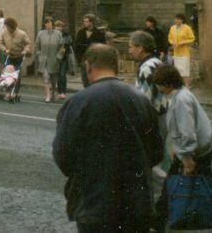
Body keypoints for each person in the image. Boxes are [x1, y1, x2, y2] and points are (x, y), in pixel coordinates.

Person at [53, 44, 163, 232]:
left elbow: (63, 155)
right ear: (117, 66)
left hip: (95, 202)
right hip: (137, 203)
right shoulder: (141, 100)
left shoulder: (78, 102)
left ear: (88, 66)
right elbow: (156, 153)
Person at [152, 65, 212, 233]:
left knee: (208, 190)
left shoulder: (180, 100)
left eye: (159, 84)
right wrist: (178, 149)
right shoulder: (182, 94)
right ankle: (157, 222)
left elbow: (187, 131)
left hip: (195, 154)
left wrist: (186, 157)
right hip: (198, 151)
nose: (158, 88)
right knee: (175, 185)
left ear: (166, 84)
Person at [128, 30, 169, 200]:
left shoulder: (145, 68)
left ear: (140, 48)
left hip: (152, 120)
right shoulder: (156, 62)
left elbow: (143, 101)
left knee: (148, 162)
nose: (129, 50)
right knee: (155, 159)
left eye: (131, 47)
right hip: (162, 116)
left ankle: (163, 197)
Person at [0, 17, 32, 95]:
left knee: (16, 75)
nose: (6, 27)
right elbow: (0, 42)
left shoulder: (22, 34)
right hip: (8, 56)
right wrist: (4, 49)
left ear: (12, 26)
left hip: (18, 56)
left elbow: (28, 43)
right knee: (7, 74)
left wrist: (25, 50)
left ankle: (15, 92)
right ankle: (8, 91)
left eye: (7, 26)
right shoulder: (4, 32)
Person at [72, 14, 107, 88]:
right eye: (84, 21)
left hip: (95, 61)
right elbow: (76, 47)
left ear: (91, 22)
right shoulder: (81, 32)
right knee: (85, 80)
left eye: (86, 21)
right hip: (83, 60)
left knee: (94, 80)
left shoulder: (99, 33)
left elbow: (103, 47)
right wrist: (79, 60)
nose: (84, 23)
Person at [35, 18, 65, 103]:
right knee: (46, 77)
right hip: (44, 60)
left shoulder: (58, 34)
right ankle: (47, 96)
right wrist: (39, 55)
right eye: (46, 23)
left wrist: (58, 57)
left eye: (49, 23)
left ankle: (52, 94)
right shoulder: (40, 34)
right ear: (44, 25)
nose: (48, 25)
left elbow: (62, 47)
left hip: (54, 60)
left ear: (52, 24)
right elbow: (37, 46)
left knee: (54, 79)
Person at [168, 13, 195, 87]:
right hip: (176, 53)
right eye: (176, 19)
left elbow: (192, 38)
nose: (176, 20)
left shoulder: (187, 28)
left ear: (182, 20)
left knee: (185, 72)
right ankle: (180, 86)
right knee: (178, 71)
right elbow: (170, 38)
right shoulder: (172, 28)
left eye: (178, 19)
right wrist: (172, 42)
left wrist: (183, 42)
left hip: (184, 53)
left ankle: (186, 86)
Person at [54, 20, 74, 101]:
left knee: (62, 75)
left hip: (64, 58)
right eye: (58, 26)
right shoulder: (52, 35)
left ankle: (63, 92)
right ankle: (59, 92)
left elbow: (69, 44)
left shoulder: (66, 35)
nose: (59, 28)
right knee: (58, 76)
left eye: (61, 26)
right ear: (55, 27)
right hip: (55, 58)